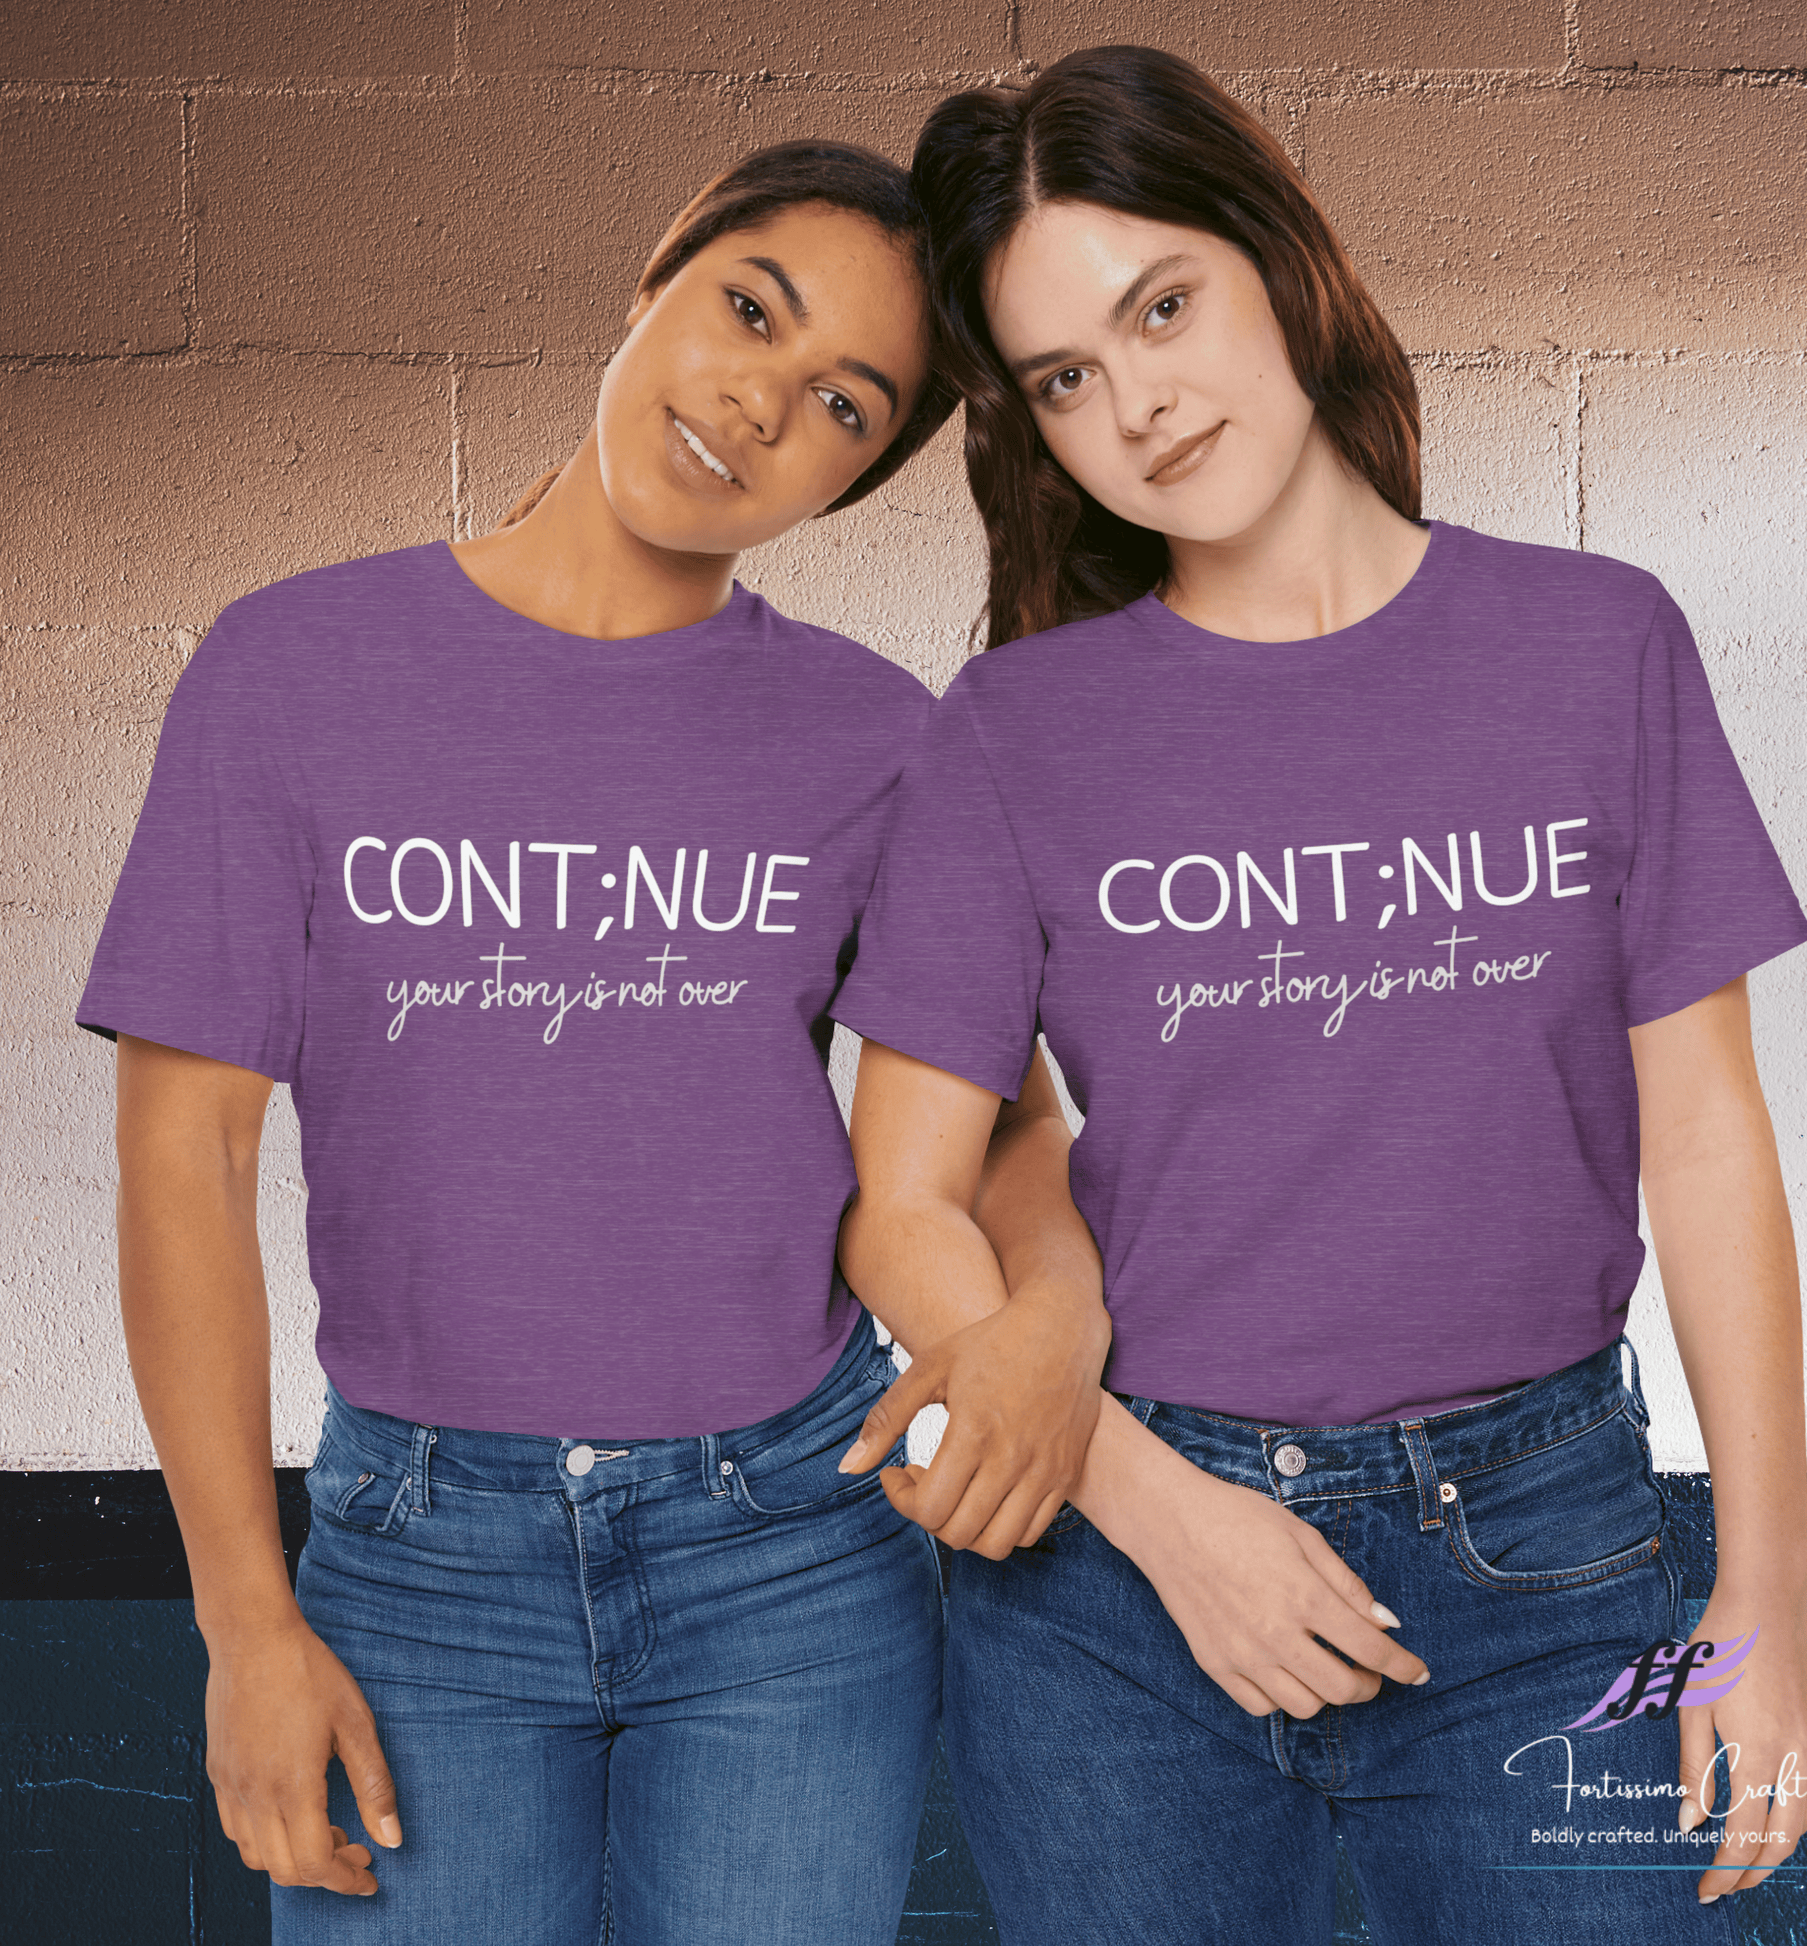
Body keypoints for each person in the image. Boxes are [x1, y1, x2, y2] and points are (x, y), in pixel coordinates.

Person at [831, 46, 1807, 1944]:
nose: (1132, 400)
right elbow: (902, 1201)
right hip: (1117, 1587)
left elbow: (1703, 1138)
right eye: (1063, 375)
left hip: (1541, 1551)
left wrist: (1765, 1596)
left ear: (1278, 257)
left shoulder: (1593, 642)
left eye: (1159, 306)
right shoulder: (1014, 732)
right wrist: (1154, 1510)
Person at [79, 140, 1093, 1946]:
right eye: (748, 311)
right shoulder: (290, 669)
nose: (756, 403)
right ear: (657, 274)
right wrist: (245, 1620)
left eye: (839, 403)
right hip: (418, 1557)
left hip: (791, 1544)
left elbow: (996, 1128)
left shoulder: (878, 740)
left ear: (856, 479)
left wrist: (1049, 1322)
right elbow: (189, 1151)